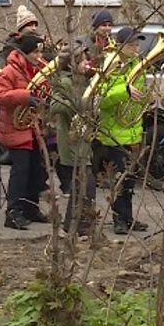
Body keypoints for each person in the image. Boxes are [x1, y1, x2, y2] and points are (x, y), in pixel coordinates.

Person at [93, 26, 150, 235]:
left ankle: (127, 217)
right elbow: (102, 98)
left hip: (133, 129)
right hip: (114, 132)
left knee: (130, 180)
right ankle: (119, 219)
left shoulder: (137, 64)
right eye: (133, 44)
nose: (137, 48)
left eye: (138, 44)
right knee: (118, 179)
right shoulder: (111, 65)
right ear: (121, 46)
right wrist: (124, 91)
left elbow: (141, 91)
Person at [0, 33, 53, 230]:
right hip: (16, 127)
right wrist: (27, 96)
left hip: (34, 126)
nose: (39, 56)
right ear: (25, 52)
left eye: (41, 51)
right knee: (21, 172)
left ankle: (30, 208)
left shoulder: (39, 69)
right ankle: (13, 212)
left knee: (37, 170)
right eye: (35, 52)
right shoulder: (11, 70)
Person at [49, 42, 97, 235]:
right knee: (84, 185)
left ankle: (76, 227)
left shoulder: (83, 81)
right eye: (82, 60)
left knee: (84, 186)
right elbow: (55, 106)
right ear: (70, 63)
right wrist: (80, 103)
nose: (87, 63)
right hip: (71, 140)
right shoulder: (64, 82)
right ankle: (76, 228)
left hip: (84, 139)